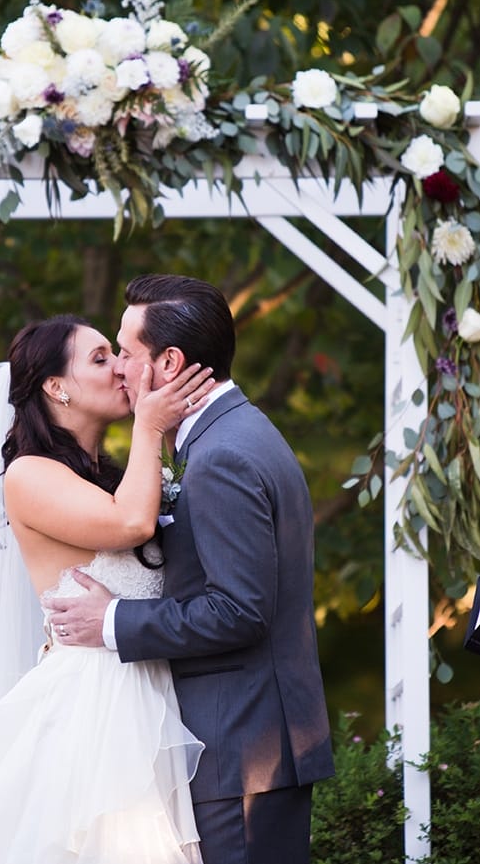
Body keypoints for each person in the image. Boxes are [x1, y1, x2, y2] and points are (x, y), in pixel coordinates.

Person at [0, 313, 215, 864]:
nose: (121, 368)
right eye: (99, 359)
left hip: (145, 691)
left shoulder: (113, 474)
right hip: (91, 707)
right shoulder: (28, 475)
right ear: (55, 388)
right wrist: (148, 425)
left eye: (115, 354)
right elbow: (130, 526)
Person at [47, 275, 335, 864]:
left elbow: (239, 611)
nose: (120, 367)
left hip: (242, 747)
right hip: (250, 743)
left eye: (126, 352)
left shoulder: (222, 455)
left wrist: (113, 620)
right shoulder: (231, 435)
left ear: (169, 361)